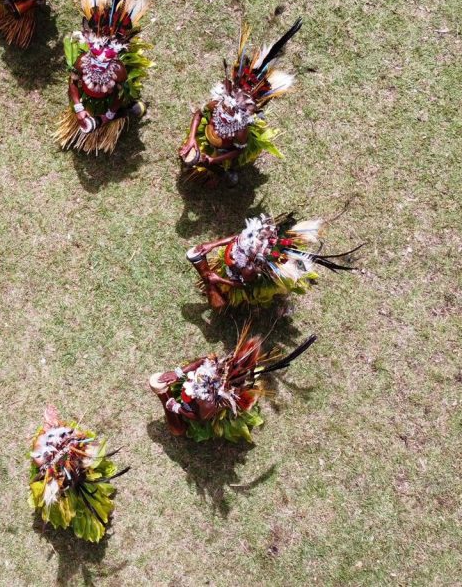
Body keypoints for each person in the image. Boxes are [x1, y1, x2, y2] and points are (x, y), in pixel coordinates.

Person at [179, 19, 302, 184]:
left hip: (221, 152)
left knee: (219, 173)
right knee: (191, 157)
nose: (226, 110)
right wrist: (192, 138)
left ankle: (225, 174)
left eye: (230, 109)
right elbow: (199, 114)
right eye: (226, 105)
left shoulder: (240, 129)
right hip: (205, 138)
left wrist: (214, 161)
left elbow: (237, 151)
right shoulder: (217, 105)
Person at [56, 0, 151, 154]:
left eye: (106, 55)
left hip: (105, 106)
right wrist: (79, 109)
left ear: (116, 54)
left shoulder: (118, 71)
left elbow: (119, 93)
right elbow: (73, 82)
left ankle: (114, 124)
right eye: (97, 52)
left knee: (121, 108)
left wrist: (108, 116)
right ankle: (79, 130)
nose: (100, 59)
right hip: (85, 104)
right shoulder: (82, 61)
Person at [149, 330, 316, 442]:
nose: (220, 365)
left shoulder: (210, 402)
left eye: (223, 369)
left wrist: (176, 408)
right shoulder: (215, 366)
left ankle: (176, 412)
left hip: (197, 408)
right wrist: (178, 373)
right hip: (192, 394)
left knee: (178, 430)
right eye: (224, 365)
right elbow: (201, 362)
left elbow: (199, 416)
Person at [186, 213, 358, 310]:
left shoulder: (249, 269)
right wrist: (213, 244)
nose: (241, 243)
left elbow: (242, 285)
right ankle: (210, 284)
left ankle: (219, 292)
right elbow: (237, 238)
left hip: (237, 279)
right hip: (232, 268)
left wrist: (219, 280)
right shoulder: (248, 240)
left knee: (221, 302)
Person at [28, 405, 127, 543]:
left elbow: (80, 438)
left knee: (85, 469)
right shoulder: (42, 451)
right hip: (62, 480)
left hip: (77, 471)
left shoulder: (68, 437)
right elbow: (38, 455)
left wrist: (78, 446)